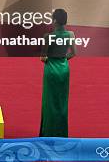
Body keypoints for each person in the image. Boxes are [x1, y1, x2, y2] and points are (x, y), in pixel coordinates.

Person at [39, 8, 76, 138]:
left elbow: (43, 58)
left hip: (51, 69)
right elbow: (73, 53)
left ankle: (48, 133)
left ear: (54, 20)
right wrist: (63, 60)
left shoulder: (48, 37)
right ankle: (62, 133)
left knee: (50, 102)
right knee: (62, 102)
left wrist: (51, 60)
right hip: (64, 69)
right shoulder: (71, 34)